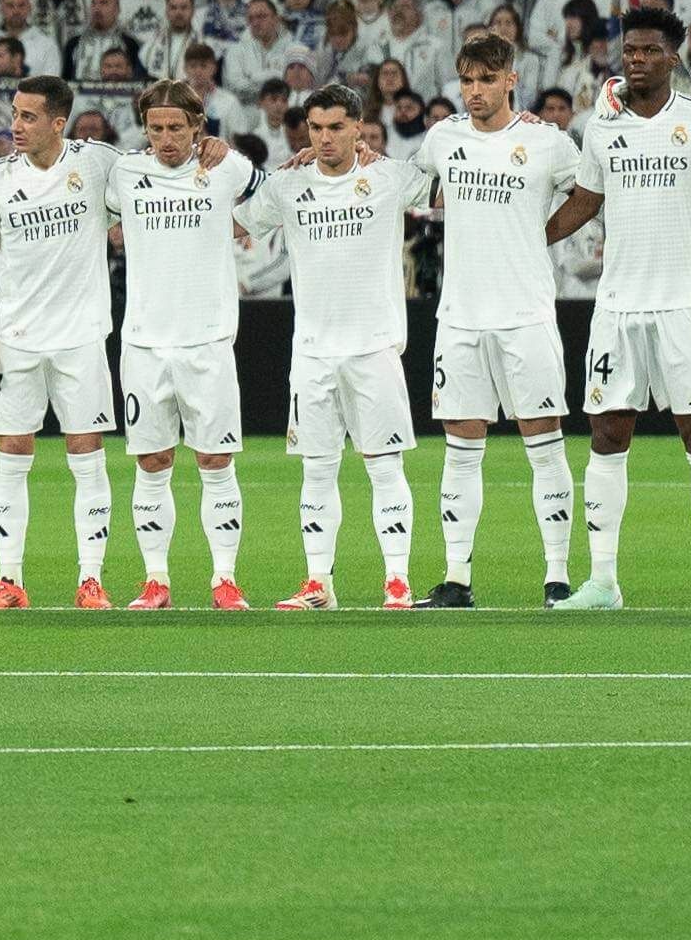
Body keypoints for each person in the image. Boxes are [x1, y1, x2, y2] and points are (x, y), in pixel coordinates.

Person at [563, 7, 691, 610]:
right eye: (629, 51)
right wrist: (520, 234)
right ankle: (602, 582)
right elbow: (583, 204)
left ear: (673, 57)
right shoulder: (600, 127)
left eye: (648, 50)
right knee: (607, 433)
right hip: (617, 306)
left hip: (681, 305)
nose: (636, 59)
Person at [413, 36, 589, 606]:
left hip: (525, 315)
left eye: (486, 80)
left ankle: (557, 576)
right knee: (461, 448)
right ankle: (457, 577)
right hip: (460, 317)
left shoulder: (546, 142)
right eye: (466, 81)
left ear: (510, 79)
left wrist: (543, 235)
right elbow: (404, 183)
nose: (474, 92)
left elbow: (590, 191)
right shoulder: (443, 138)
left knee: (545, 444)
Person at [0, 71, 119, 608]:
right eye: (14, 114)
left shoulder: (96, 164)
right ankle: (10, 579)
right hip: (16, 338)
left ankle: (90, 580)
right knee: (12, 452)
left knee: (86, 454)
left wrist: (207, 149)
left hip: (81, 336)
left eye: (28, 116)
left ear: (57, 122)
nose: (16, 125)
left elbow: (159, 171)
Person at [270, 87, 426, 609]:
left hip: (374, 347)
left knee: (384, 466)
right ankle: (319, 582)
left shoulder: (390, 178)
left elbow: (453, 182)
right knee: (317, 469)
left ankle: (397, 580)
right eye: (315, 128)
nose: (324, 138)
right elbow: (234, 213)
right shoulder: (288, 184)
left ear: (359, 127)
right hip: (311, 352)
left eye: (336, 127)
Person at [111, 77, 259, 609]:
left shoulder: (227, 169)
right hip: (144, 344)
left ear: (199, 125)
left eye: (177, 127)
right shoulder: (124, 173)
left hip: (208, 342)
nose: (166, 138)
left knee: (215, 462)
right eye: (156, 128)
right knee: (151, 463)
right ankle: (156, 580)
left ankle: (225, 579)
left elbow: (281, 191)